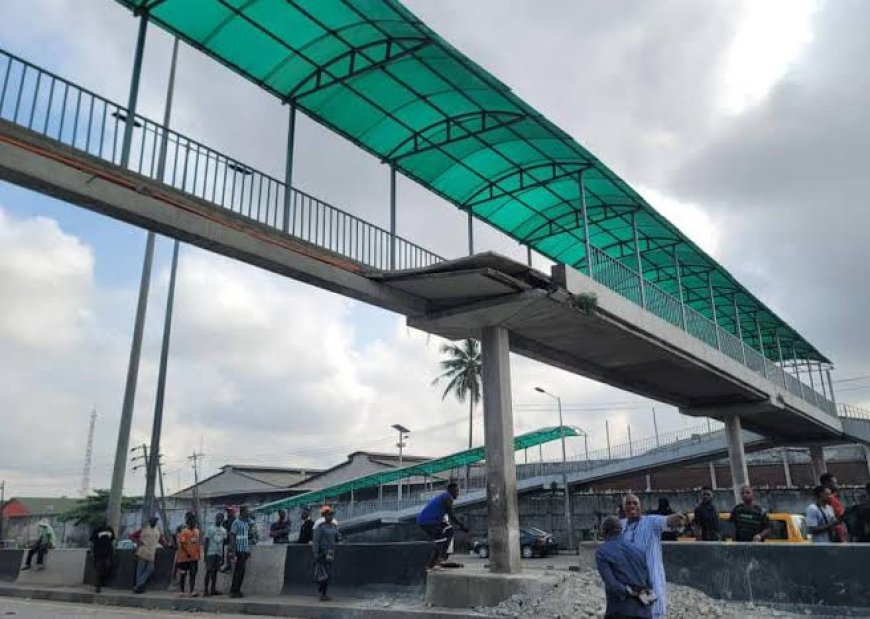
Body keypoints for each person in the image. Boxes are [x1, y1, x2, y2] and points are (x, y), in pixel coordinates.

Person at [619, 494, 684, 619]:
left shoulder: (651, 521)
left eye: (634, 503)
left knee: (653, 613)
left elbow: (668, 521)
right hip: (629, 583)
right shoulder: (620, 526)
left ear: (640, 507)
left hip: (651, 582)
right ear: (623, 507)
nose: (631, 506)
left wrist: (676, 518)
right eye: (628, 503)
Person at [595, 516, 653, 619]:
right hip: (644, 611)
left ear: (604, 531)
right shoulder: (638, 549)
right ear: (621, 530)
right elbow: (649, 583)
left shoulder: (602, 552)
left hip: (620, 611)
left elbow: (612, 585)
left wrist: (631, 592)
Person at [416, 482, 468, 571]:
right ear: (450, 491)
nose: (457, 493)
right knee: (441, 539)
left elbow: (449, 518)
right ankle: (430, 565)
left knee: (449, 529)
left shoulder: (445, 496)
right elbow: (451, 515)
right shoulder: (447, 497)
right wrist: (462, 526)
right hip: (428, 522)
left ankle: (441, 557)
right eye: (456, 491)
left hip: (434, 520)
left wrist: (459, 526)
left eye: (458, 491)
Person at [312, 506, 342, 601]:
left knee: (328, 575)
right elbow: (316, 541)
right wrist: (316, 553)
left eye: (331, 515)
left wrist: (341, 538)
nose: (330, 517)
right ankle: (322, 593)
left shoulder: (334, 526)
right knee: (323, 575)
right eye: (328, 515)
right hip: (322, 553)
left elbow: (337, 537)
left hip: (330, 553)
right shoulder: (320, 527)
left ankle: (323, 592)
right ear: (325, 516)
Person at [133, 517, 160, 593]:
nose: (154, 523)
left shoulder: (157, 531)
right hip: (143, 551)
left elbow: (161, 540)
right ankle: (139, 586)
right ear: (150, 522)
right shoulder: (144, 529)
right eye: (153, 521)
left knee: (149, 569)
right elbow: (132, 536)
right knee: (140, 570)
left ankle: (139, 585)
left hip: (151, 553)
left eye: (155, 521)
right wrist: (138, 542)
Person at [176, 512, 201, 597]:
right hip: (184, 558)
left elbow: (197, 543)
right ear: (188, 521)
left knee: (193, 574)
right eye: (192, 521)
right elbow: (182, 544)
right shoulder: (184, 532)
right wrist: (188, 553)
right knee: (183, 574)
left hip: (194, 557)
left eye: (194, 521)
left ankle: (192, 591)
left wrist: (198, 554)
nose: (194, 523)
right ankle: (182, 591)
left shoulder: (197, 531)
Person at [229, 505, 251, 598]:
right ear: (242, 512)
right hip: (238, 550)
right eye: (247, 511)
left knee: (242, 572)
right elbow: (232, 537)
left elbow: (246, 538)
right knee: (238, 571)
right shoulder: (236, 523)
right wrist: (234, 552)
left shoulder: (246, 523)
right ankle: (234, 590)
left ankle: (238, 589)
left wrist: (248, 550)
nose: (248, 512)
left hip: (244, 550)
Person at [203, 512, 226, 597]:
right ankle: (205, 590)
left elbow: (222, 544)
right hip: (210, 553)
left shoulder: (224, 530)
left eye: (221, 518)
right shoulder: (210, 529)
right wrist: (205, 555)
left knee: (215, 572)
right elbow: (206, 542)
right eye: (218, 518)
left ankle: (213, 589)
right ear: (216, 518)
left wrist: (223, 556)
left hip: (218, 553)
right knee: (208, 571)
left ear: (223, 520)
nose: (219, 520)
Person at [89, 519, 115, 593]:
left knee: (104, 568)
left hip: (105, 552)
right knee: (99, 568)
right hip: (100, 552)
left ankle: (101, 583)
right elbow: (92, 541)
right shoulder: (98, 530)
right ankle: (98, 585)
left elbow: (112, 540)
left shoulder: (109, 530)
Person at [820, 473, 847, 542]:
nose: (837, 485)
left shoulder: (834, 498)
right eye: (834, 483)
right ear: (826, 484)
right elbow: (841, 516)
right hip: (836, 535)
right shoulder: (830, 499)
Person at [221, 506, 236, 574]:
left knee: (231, 554)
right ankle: (228, 566)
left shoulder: (235, 521)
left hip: (232, 541)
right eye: (228, 511)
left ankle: (230, 568)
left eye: (230, 511)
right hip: (226, 541)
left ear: (233, 512)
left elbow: (234, 532)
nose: (228, 513)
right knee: (227, 554)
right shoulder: (225, 522)